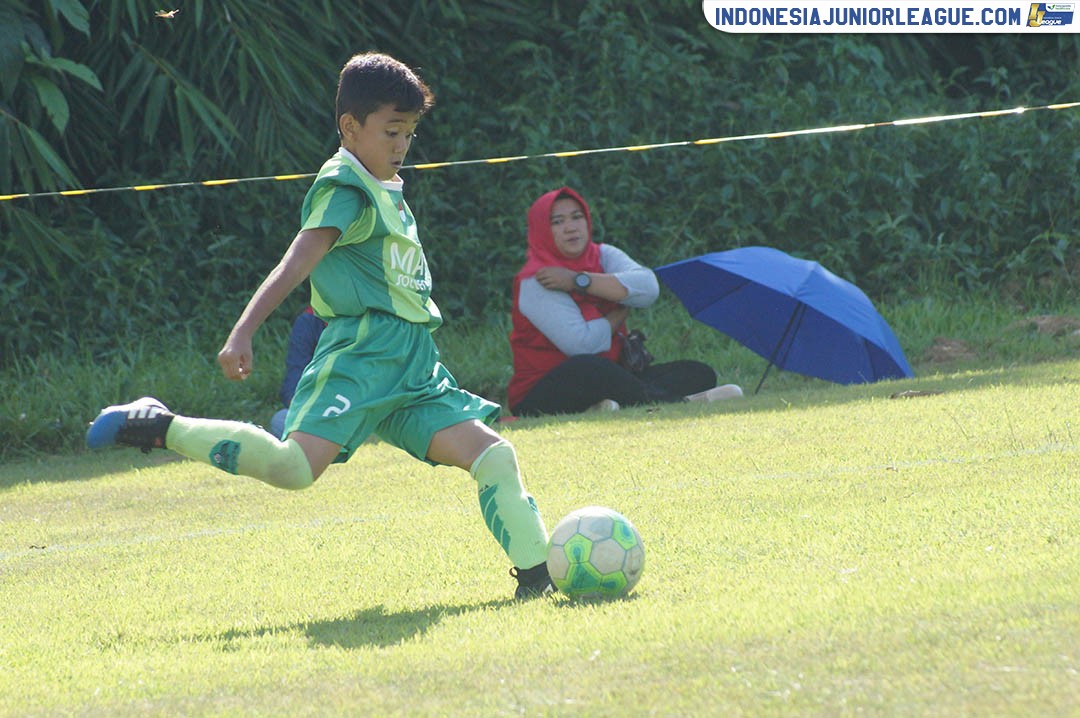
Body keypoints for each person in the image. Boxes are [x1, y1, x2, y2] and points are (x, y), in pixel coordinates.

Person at [86, 52, 554, 600]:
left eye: (409, 133)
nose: (401, 145)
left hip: (413, 364)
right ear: (350, 128)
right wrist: (243, 331)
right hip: (360, 355)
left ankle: (539, 578)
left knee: (494, 455)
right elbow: (296, 263)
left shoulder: (385, 185)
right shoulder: (345, 188)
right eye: (391, 132)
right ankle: (157, 424)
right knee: (292, 469)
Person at [508, 187, 742, 417]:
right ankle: (680, 402)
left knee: (698, 373)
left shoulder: (603, 254)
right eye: (557, 222)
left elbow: (649, 288)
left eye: (577, 217)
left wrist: (579, 281)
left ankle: (602, 406)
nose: (571, 227)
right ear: (541, 230)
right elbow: (582, 344)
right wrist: (619, 313)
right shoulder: (536, 279)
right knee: (588, 367)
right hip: (545, 390)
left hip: (611, 375)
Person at [269, 306, 326, 439]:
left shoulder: (365, 319)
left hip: (359, 405)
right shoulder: (309, 321)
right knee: (280, 420)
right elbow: (293, 385)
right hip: (318, 409)